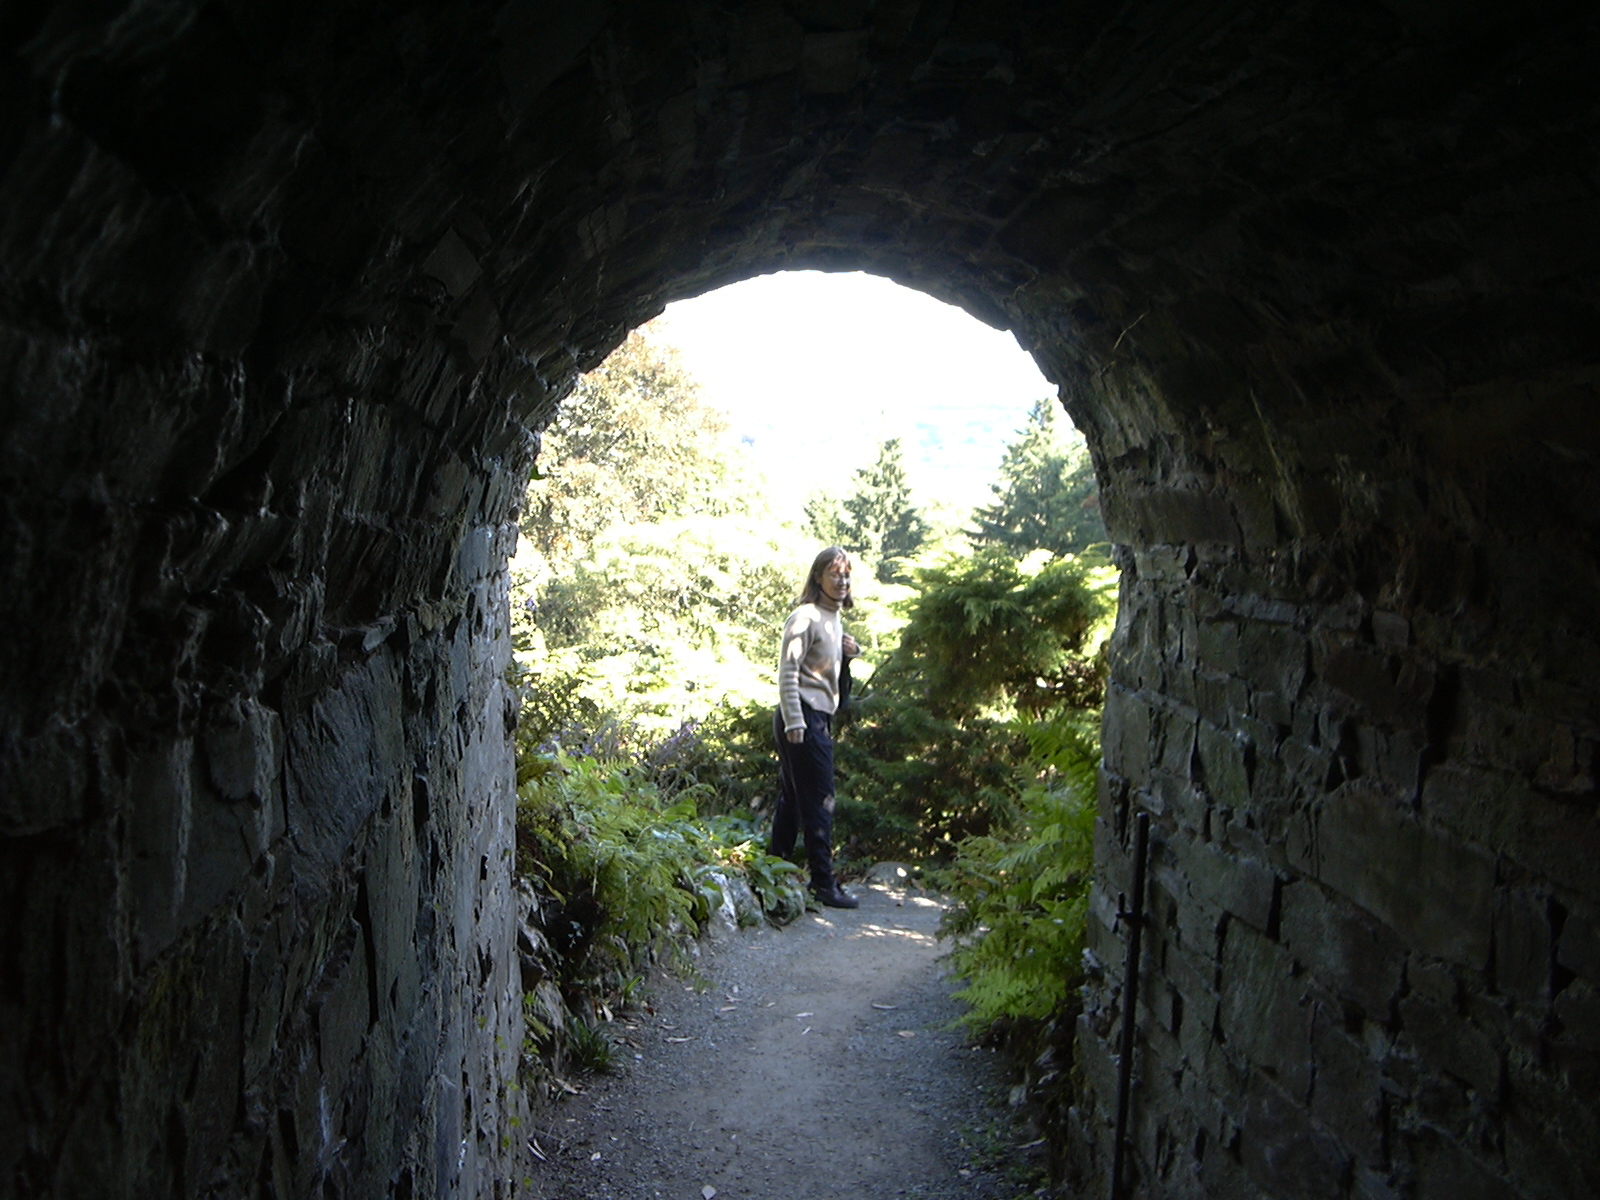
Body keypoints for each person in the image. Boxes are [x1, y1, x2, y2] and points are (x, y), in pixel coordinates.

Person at [770, 546, 861, 909]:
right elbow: (787, 672)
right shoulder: (804, 617)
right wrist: (795, 720)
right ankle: (823, 883)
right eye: (834, 574)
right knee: (820, 800)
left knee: (794, 798)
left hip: (818, 716)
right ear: (818, 577)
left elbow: (829, 677)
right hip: (803, 717)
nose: (841, 581)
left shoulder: (833, 619)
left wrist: (848, 655)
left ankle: (771, 871)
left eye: (846, 575)